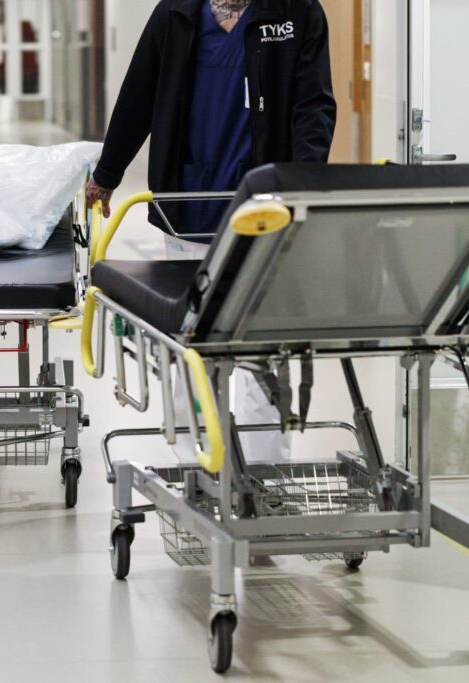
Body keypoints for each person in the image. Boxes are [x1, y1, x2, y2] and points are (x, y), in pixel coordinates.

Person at [86, 0, 336, 462]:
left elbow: (313, 106)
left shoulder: (296, 11)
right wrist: (107, 173)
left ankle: (266, 472)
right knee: (191, 347)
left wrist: (303, 187)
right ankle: (194, 469)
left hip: (265, 214)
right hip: (189, 208)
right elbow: (139, 94)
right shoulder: (176, 14)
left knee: (263, 349)